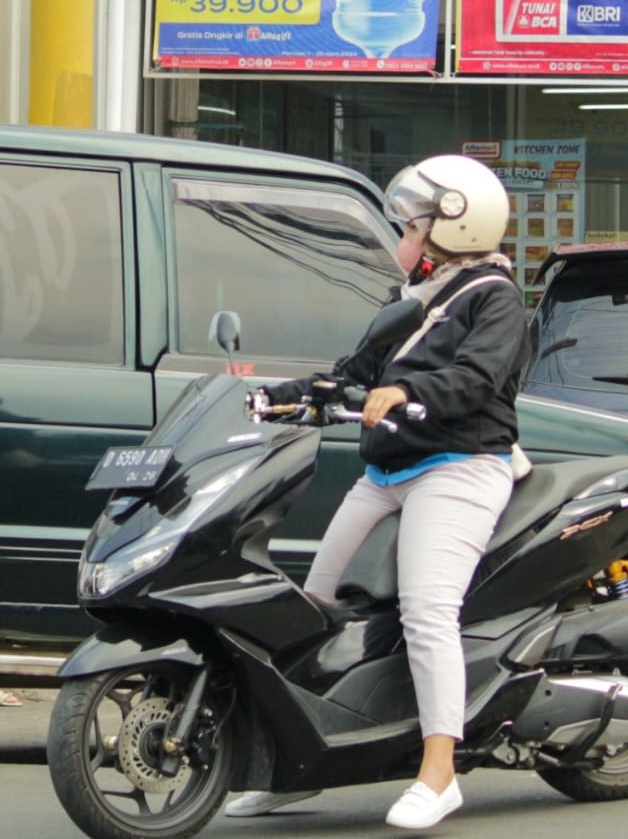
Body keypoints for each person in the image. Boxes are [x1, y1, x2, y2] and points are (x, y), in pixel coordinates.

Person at [223, 154, 528, 831]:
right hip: (385, 472)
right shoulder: (415, 300)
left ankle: (439, 771)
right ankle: (291, 766)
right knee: (310, 606)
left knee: (426, 611)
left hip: (457, 467)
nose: (403, 234)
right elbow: (352, 372)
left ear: (452, 225)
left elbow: (477, 379)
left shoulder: (494, 297)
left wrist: (408, 390)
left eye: (411, 223)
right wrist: (288, 395)